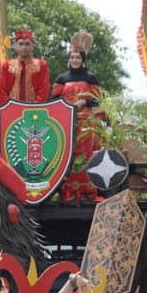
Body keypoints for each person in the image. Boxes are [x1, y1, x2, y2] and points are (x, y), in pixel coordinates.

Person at [50, 31, 105, 201]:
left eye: (78, 57)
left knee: (87, 155)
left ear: (83, 60)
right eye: (72, 57)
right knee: (68, 155)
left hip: (87, 125)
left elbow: (98, 101)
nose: (74, 60)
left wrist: (83, 103)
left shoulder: (90, 78)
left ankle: (88, 192)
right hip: (67, 124)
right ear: (69, 59)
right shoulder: (61, 78)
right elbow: (53, 101)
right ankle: (66, 193)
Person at [0, 28, 49, 105]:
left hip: (34, 111)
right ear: (15, 46)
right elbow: (2, 91)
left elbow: (43, 90)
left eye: (27, 44)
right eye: (21, 44)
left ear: (32, 46)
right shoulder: (7, 66)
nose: (24, 47)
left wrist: (35, 107)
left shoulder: (41, 65)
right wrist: (8, 107)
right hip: (11, 109)